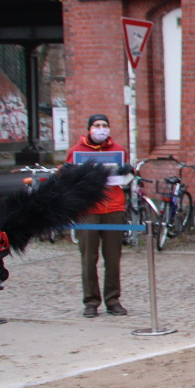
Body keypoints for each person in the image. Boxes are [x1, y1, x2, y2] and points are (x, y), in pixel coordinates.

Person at [68, 113, 130, 317]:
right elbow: (67, 178)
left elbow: (126, 179)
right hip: (88, 209)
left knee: (113, 257)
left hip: (113, 207)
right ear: (89, 128)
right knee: (88, 257)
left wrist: (129, 171)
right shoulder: (77, 151)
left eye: (104, 125)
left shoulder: (118, 150)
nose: (101, 128)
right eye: (97, 125)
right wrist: (66, 172)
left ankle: (113, 299)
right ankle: (91, 301)